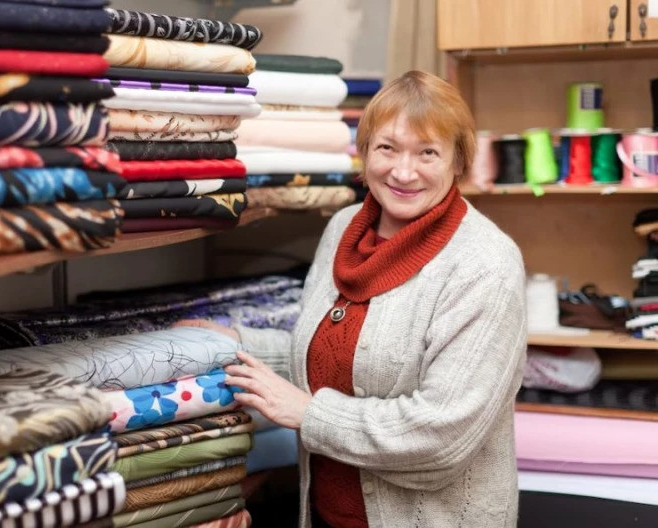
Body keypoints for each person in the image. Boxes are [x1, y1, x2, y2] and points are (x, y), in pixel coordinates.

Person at [178, 70, 526, 528]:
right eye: (387, 148)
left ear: (458, 160)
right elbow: (340, 356)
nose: (403, 171)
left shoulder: (485, 264)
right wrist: (237, 344)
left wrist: (308, 413)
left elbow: (441, 436)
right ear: (363, 151)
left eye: (427, 152)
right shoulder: (344, 228)